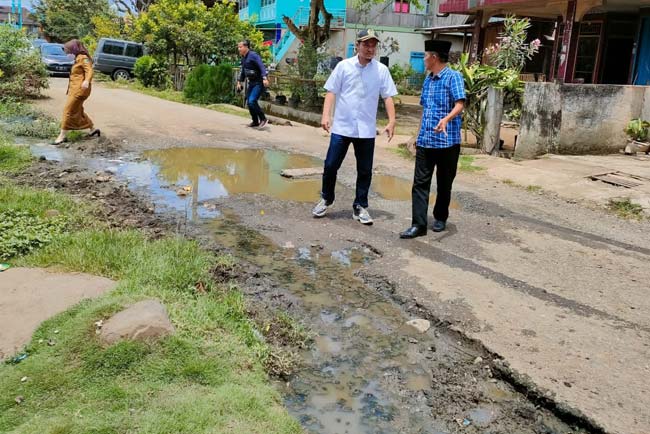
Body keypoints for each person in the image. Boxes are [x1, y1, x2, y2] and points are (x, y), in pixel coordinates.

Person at [312, 28, 398, 225]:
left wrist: (392, 121)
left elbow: (388, 96)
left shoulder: (381, 70)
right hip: (342, 127)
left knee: (365, 170)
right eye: (366, 44)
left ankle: (360, 206)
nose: (370, 48)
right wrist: (326, 115)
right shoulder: (343, 67)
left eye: (373, 45)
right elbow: (331, 92)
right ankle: (326, 198)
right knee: (331, 165)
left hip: (366, 130)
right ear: (357, 45)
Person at [400, 40, 465, 239]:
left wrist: (446, 119)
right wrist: (417, 135)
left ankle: (440, 217)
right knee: (420, 183)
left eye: (426, 55)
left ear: (434, 57)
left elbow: (460, 104)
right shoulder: (428, 80)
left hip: (448, 143)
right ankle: (418, 224)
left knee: (445, 182)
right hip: (426, 141)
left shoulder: (453, 77)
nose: (424, 58)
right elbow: (425, 110)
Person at [53, 39, 99, 145]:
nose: (68, 53)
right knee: (78, 110)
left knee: (68, 111)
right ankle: (92, 129)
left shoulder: (83, 58)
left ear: (74, 49)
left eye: (68, 51)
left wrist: (87, 81)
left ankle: (62, 136)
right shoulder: (78, 58)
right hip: (75, 90)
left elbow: (89, 70)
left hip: (80, 90)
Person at [236, 40, 269, 128]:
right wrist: (239, 82)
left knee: (252, 101)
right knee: (249, 102)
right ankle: (255, 121)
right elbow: (243, 71)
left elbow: (261, 66)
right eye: (238, 47)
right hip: (252, 82)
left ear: (246, 47)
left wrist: (264, 78)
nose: (239, 49)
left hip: (259, 82)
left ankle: (263, 118)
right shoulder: (243, 58)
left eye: (240, 47)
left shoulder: (253, 55)